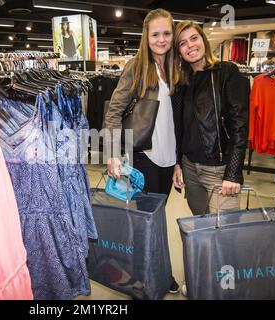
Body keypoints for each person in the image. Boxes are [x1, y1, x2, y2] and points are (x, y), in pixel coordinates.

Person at [105, 8, 180, 294]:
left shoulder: (175, 67)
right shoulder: (137, 67)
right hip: (144, 157)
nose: (162, 39)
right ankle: (142, 281)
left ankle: (161, 274)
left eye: (166, 33)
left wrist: (179, 161)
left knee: (157, 221)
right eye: (156, 34)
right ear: (146, 37)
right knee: (142, 226)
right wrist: (113, 153)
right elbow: (114, 111)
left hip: (168, 158)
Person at [172, 21, 250, 216]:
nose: (190, 46)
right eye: (182, 43)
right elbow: (180, 127)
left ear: (203, 40)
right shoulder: (181, 83)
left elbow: (239, 125)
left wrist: (233, 172)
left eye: (193, 38)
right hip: (190, 168)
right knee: (200, 228)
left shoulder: (226, 72)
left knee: (223, 235)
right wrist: (178, 163)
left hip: (218, 169)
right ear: (178, 52)